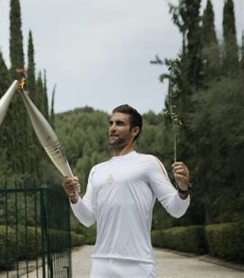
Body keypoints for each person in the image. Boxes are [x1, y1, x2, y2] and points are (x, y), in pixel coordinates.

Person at [62, 104, 191, 277]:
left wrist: (183, 189)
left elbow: (176, 210)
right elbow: (87, 218)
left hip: (138, 265)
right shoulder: (97, 170)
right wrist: (73, 196)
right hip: (101, 264)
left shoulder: (148, 163)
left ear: (135, 130)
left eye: (120, 123)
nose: (113, 128)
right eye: (111, 123)